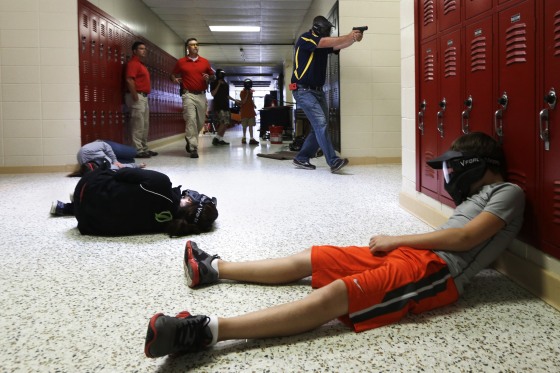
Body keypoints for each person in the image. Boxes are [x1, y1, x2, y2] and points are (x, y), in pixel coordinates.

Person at [143, 132, 525, 359]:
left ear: (478, 163)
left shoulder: (510, 192)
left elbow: (465, 238)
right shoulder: (483, 194)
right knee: (317, 257)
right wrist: (401, 246)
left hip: (436, 273)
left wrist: (397, 239)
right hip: (418, 255)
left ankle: (207, 331)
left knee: (338, 294)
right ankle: (215, 268)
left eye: (456, 167)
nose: (452, 175)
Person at [50, 168, 218, 237]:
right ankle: (72, 208)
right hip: (88, 222)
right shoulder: (165, 226)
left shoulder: (162, 184)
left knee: (111, 170)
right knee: (130, 204)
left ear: (189, 201)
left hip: (86, 188)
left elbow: (121, 174)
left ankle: (73, 204)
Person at [291, 16, 363, 173]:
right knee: (321, 124)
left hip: (317, 91)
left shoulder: (322, 44)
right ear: (318, 28)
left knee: (319, 126)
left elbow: (340, 45)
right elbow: (324, 43)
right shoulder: (306, 38)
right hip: (303, 90)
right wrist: (349, 35)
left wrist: (354, 38)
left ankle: (302, 157)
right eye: (326, 30)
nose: (328, 33)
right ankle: (333, 161)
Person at [171, 38, 215, 159]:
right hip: (188, 94)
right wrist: (174, 79)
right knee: (191, 119)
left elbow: (213, 76)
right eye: (192, 45)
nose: (195, 46)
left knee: (200, 122)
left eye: (197, 44)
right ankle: (193, 147)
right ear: (188, 48)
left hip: (201, 94)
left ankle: (190, 137)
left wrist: (209, 78)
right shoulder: (181, 62)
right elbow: (172, 74)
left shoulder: (204, 62)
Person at [125, 41, 158, 159]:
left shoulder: (141, 64)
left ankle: (144, 148)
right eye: (141, 49)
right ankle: (137, 150)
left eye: (144, 49)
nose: (144, 50)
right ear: (134, 51)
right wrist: (135, 96)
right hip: (137, 96)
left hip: (143, 96)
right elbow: (129, 80)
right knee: (138, 125)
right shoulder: (133, 63)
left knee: (144, 125)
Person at [77, 140, 146, 173]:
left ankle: (117, 158)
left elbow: (104, 145)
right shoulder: (105, 167)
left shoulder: (86, 150)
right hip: (106, 157)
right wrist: (138, 165)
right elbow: (119, 167)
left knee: (132, 152)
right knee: (130, 161)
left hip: (105, 146)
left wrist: (115, 160)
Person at [209, 69, 236, 146]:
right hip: (219, 105)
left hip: (226, 105)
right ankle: (216, 138)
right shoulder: (214, 82)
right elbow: (213, 94)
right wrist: (218, 84)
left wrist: (235, 100)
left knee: (226, 122)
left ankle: (220, 139)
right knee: (223, 122)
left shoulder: (226, 84)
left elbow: (227, 96)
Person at [239, 79, 259, 145]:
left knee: (251, 126)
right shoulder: (242, 92)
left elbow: (250, 99)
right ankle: (244, 137)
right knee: (244, 126)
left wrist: (254, 104)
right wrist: (247, 94)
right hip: (244, 112)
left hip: (251, 112)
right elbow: (243, 101)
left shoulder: (251, 92)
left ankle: (251, 138)